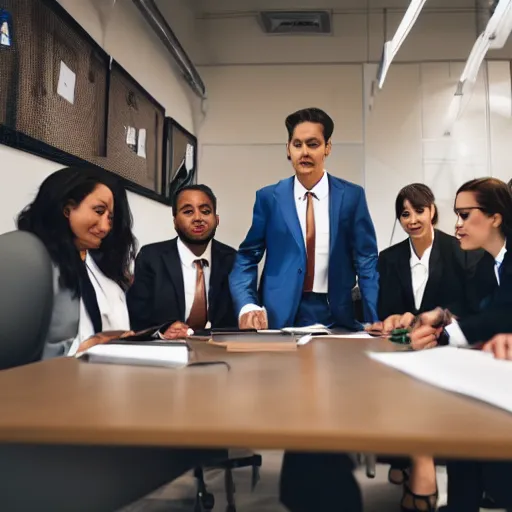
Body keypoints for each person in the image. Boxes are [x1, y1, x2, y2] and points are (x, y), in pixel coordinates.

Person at [230, 107, 375, 511]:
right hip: (284, 322)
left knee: (334, 406)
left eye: (314, 143)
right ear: (288, 150)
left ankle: (326, 486)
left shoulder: (351, 196)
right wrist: (246, 304)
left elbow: (367, 259)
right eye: (298, 144)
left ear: (328, 147)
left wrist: (375, 318)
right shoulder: (269, 198)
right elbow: (246, 258)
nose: (305, 152)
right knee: (297, 410)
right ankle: (312, 490)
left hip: (338, 319)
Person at [369, 183, 482, 511]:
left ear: (432, 210)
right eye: (405, 213)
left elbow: (468, 306)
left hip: (448, 347)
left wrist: (430, 321)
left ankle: (417, 464)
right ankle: (410, 460)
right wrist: (392, 319)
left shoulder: (460, 249)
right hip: (405, 350)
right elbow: (387, 309)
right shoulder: (389, 258)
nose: (413, 219)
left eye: (419, 210)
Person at [17, 166, 136, 359]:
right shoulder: (30, 263)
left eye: (110, 218)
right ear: (67, 209)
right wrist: (84, 349)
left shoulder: (101, 274)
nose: (105, 227)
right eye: (99, 211)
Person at [127, 184, 237, 337]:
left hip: (218, 351)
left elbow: (234, 320)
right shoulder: (151, 258)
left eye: (205, 211)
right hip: (165, 351)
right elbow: (137, 317)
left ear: (216, 219)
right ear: (175, 221)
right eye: (188, 212)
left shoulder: (232, 260)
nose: (198, 218)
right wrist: (162, 332)